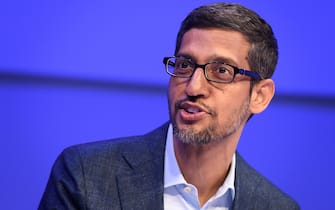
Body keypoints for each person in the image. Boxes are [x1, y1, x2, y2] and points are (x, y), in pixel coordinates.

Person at [39, 2, 299, 210]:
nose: (193, 87)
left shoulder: (277, 206)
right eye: (185, 65)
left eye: (221, 70)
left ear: (260, 96)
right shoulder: (84, 176)